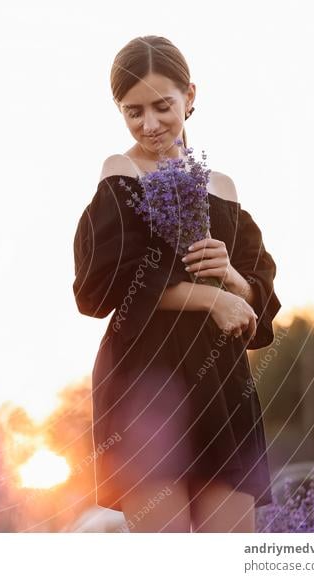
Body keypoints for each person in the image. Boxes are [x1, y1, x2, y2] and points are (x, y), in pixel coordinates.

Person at [72, 35, 282, 532]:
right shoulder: (119, 175)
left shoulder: (223, 188)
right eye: (133, 111)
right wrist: (208, 298)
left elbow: (262, 299)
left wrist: (231, 278)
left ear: (190, 95)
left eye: (162, 106)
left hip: (221, 385)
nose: (149, 124)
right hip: (146, 383)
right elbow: (99, 290)